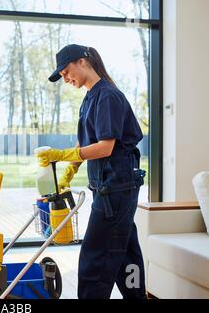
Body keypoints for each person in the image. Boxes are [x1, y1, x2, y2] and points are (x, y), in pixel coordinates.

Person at [36, 44, 146, 299]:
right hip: (111, 189)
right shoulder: (90, 97)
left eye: (66, 71)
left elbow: (105, 148)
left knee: (94, 260)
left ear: (83, 62)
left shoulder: (107, 96)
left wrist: (62, 155)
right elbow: (86, 143)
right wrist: (69, 171)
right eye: (62, 76)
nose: (65, 78)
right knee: (126, 253)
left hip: (115, 190)